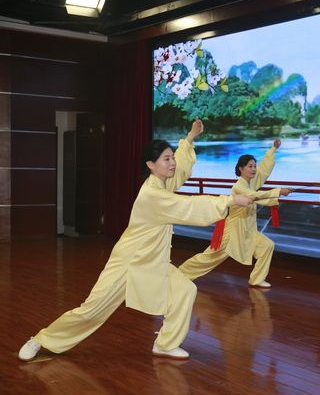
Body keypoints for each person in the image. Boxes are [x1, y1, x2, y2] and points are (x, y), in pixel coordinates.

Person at [18, 119, 254, 362]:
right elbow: (188, 206)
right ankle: (41, 339)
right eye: (166, 159)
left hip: (153, 262)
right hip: (129, 263)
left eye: (171, 157)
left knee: (185, 290)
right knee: (92, 311)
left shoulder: (163, 183)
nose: (172, 162)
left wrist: (190, 137)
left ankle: (166, 344)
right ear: (151, 165)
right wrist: (230, 200)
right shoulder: (152, 194)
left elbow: (181, 168)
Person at [179, 139, 291, 288]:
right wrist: (279, 191)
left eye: (254, 166)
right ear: (241, 169)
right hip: (233, 232)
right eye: (250, 166)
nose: (254, 169)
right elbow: (254, 196)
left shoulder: (252, 182)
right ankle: (181, 274)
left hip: (248, 231)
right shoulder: (239, 187)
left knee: (267, 246)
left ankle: (257, 279)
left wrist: (273, 149)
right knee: (210, 257)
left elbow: (264, 170)